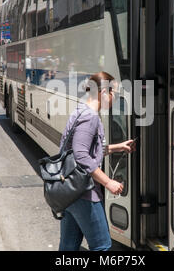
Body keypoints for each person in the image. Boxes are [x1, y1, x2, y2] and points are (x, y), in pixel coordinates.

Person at [58, 71, 136, 251]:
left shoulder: (81, 111)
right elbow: (81, 156)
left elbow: (87, 151)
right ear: (103, 93)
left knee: (69, 245)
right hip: (84, 193)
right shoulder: (90, 117)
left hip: (70, 192)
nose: (115, 98)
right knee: (102, 246)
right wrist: (108, 182)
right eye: (114, 93)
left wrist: (118, 147)